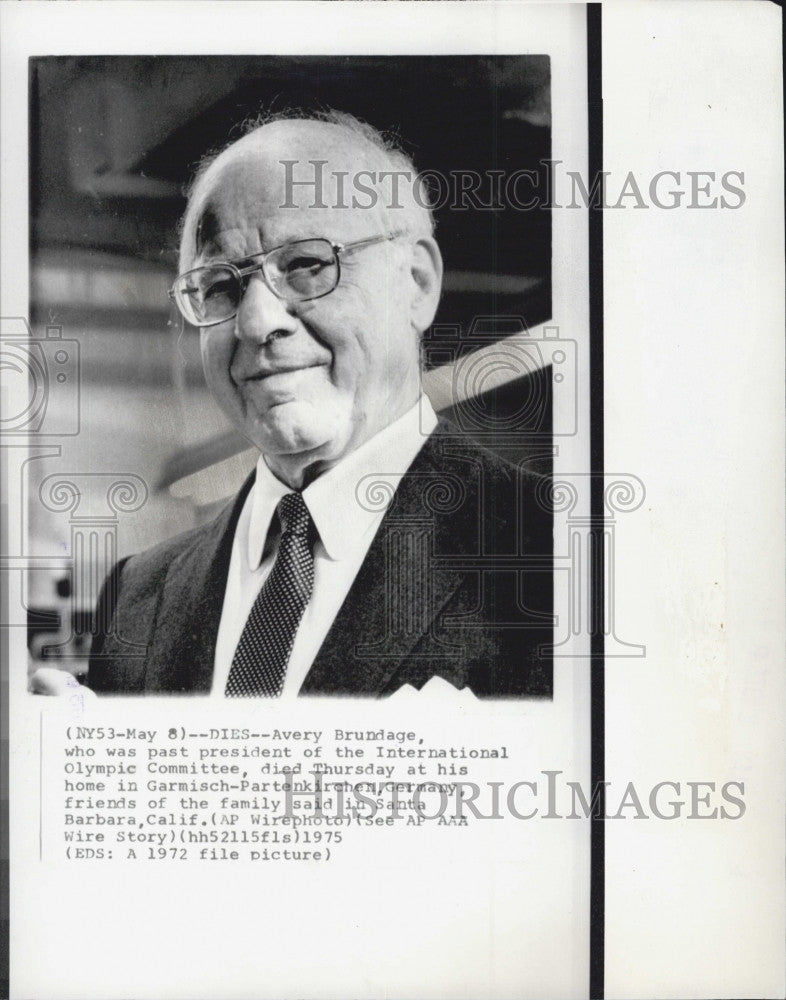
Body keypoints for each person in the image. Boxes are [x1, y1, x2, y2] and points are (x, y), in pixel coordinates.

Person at [36, 109, 553, 699]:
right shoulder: (137, 596)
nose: (257, 322)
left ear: (416, 283)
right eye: (221, 286)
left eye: (307, 265)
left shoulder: (552, 554)